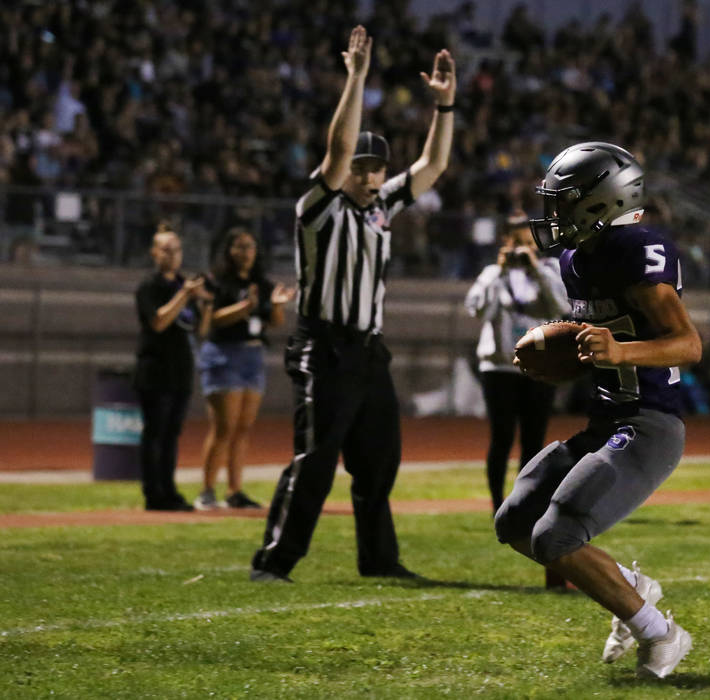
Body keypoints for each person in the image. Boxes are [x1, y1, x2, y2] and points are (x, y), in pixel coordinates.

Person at [250, 26, 456, 582]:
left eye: (375, 168)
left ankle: (380, 560)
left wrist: (445, 105)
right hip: (325, 347)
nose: (367, 176)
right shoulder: (319, 208)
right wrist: (357, 77)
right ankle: (275, 560)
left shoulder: (381, 206)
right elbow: (338, 149)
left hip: (368, 350)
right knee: (315, 461)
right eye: (360, 169)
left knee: (378, 463)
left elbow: (432, 167)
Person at [494, 142, 703, 678]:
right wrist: (567, 352)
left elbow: (688, 344)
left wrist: (620, 351)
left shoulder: (638, 247)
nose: (554, 214)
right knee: (516, 520)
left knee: (556, 536)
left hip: (650, 422)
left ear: (600, 202)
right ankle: (631, 590)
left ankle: (661, 632)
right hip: (606, 420)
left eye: (564, 201)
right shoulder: (575, 257)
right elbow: (598, 337)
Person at [464, 212, 570, 514]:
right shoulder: (491, 274)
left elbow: (561, 308)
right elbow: (476, 310)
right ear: (505, 242)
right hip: (499, 368)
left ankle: (525, 502)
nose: (523, 248)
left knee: (534, 439)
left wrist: (536, 270)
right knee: (501, 438)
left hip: (539, 367)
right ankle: (497, 503)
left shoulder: (548, 270)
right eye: (517, 242)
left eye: (528, 242)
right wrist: (499, 271)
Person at [193, 227, 296, 511]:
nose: (245, 252)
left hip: (252, 355)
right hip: (223, 354)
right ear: (228, 251)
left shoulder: (261, 283)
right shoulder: (215, 282)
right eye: (239, 247)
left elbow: (273, 322)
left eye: (250, 247)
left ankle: (235, 490)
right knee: (224, 427)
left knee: (242, 429)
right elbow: (212, 320)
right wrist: (243, 307)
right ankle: (207, 490)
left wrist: (277, 306)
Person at [133, 222, 212, 511]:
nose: (172, 255)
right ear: (154, 253)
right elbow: (158, 321)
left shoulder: (182, 285)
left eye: (176, 249)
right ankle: (154, 494)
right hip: (155, 371)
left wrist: (207, 305)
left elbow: (199, 330)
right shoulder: (149, 287)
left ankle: (169, 490)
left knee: (171, 436)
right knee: (155, 434)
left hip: (180, 370)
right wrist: (185, 296)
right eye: (165, 249)